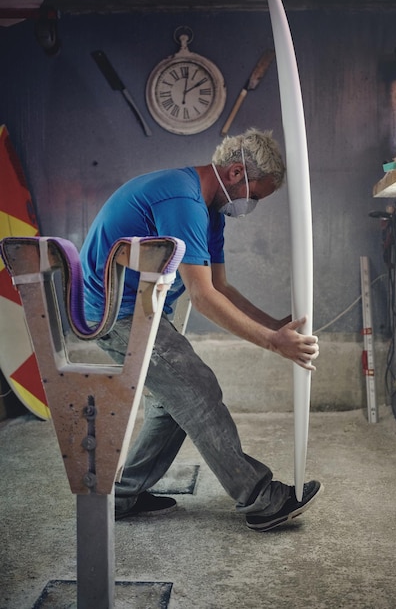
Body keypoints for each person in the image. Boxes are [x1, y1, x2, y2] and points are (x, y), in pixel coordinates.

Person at [80, 128, 322, 532]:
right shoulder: (183, 200)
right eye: (256, 196)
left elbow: (222, 286)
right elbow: (204, 297)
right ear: (234, 174)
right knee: (197, 389)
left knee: (172, 403)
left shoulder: (209, 212)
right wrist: (272, 344)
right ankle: (260, 498)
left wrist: (275, 325)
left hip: (142, 311)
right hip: (114, 316)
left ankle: (121, 497)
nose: (252, 205)